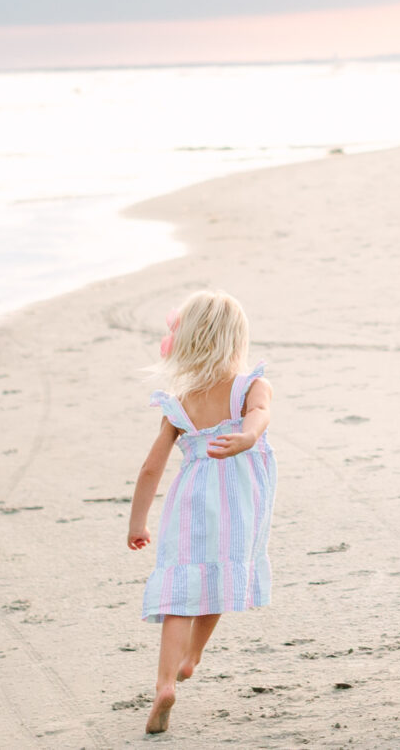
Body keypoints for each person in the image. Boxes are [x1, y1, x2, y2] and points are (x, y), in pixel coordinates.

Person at [126, 289, 275, 736]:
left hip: (189, 502)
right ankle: (194, 657)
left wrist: (137, 522)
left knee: (181, 589)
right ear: (237, 338)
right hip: (239, 501)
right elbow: (261, 414)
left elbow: (152, 466)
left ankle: (165, 683)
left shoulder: (181, 400)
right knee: (219, 576)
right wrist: (246, 437)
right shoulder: (251, 386)